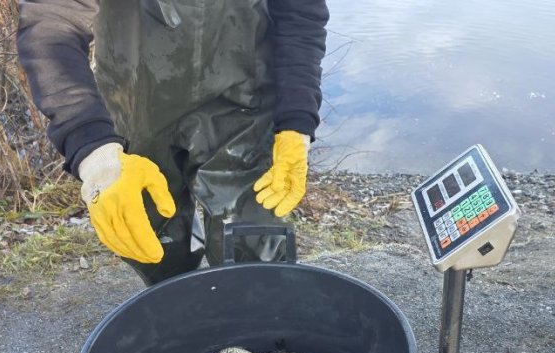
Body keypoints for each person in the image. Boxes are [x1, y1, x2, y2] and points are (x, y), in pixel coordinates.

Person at [17, 0, 329, 285]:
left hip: (246, 101)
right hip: (135, 102)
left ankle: (258, 332)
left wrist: (296, 122)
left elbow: (299, 11)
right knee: (154, 242)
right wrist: (92, 149)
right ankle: (176, 309)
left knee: (254, 242)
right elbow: (52, 19)